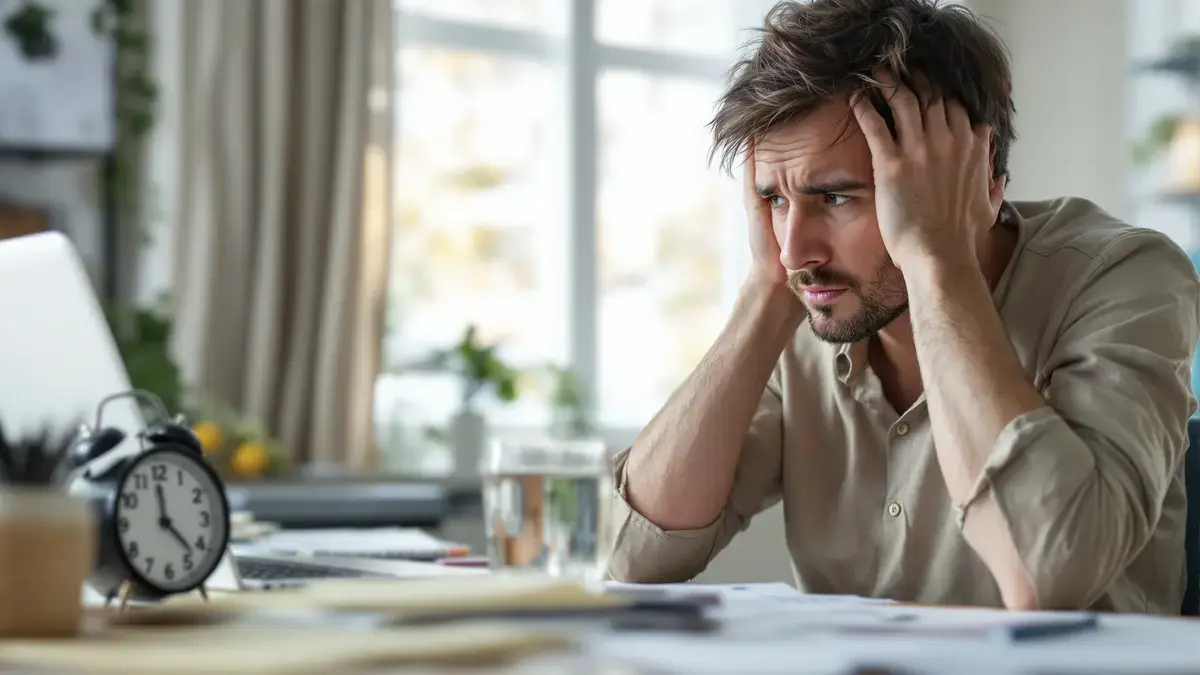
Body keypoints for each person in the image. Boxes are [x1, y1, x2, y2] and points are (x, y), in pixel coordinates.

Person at [607, 0, 1200, 614]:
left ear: (979, 178)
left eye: (835, 197)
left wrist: (937, 259)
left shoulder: (1124, 277)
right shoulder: (807, 301)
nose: (794, 251)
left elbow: (1046, 576)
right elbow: (633, 558)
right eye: (774, 201)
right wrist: (762, 294)